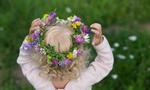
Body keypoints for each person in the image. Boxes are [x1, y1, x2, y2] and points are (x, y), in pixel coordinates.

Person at [17, 12, 114, 90]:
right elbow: (105, 64)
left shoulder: (39, 80)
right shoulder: (83, 80)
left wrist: (30, 39)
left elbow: (25, 61)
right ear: (78, 54)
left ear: (41, 55)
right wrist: (100, 44)